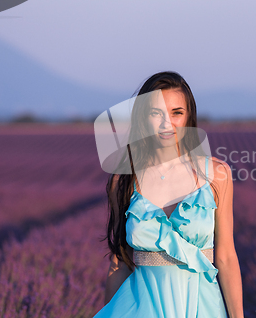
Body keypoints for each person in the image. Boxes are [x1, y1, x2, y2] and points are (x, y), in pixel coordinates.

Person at [92, 71, 244, 318]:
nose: (167, 123)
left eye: (177, 113)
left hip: (202, 308)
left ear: (189, 117)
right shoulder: (124, 181)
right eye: (156, 113)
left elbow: (226, 257)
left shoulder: (217, 175)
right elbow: (120, 262)